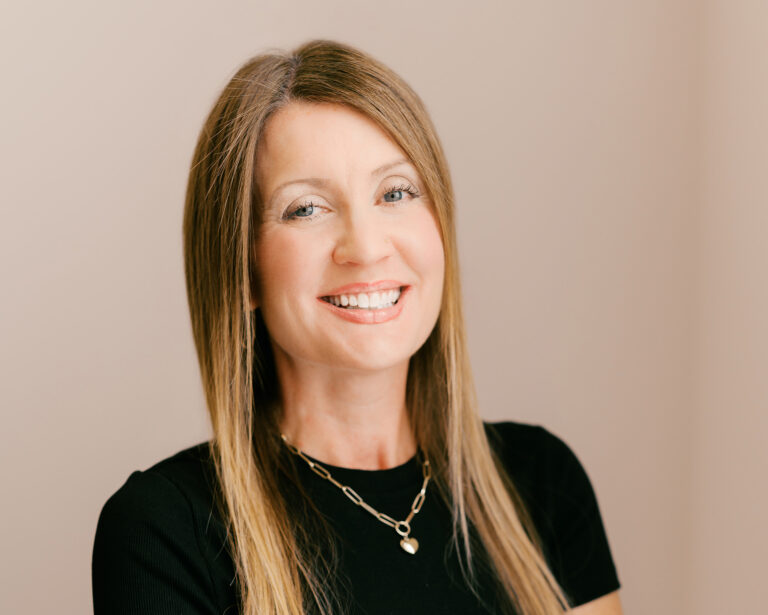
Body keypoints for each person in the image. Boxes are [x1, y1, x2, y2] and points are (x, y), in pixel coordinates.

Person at [91, 39, 622, 615]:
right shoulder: (167, 531)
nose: (367, 248)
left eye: (395, 192)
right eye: (307, 208)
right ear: (241, 270)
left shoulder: (540, 482)